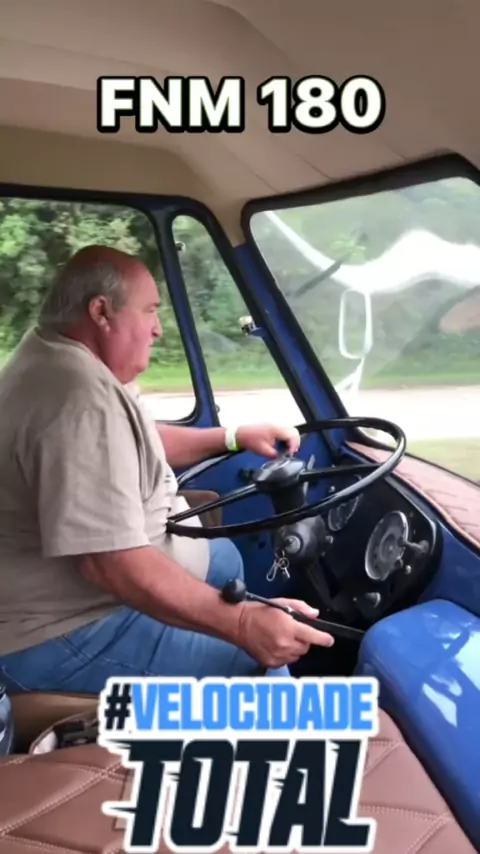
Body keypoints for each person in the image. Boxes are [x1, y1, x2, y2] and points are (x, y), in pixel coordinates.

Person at [0, 245, 334, 695]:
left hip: (93, 590)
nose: (158, 328)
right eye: (150, 310)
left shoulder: (64, 358)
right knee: (260, 667)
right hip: (56, 631)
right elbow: (110, 564)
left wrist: (232, 436)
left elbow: (134, 439)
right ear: (101, 312)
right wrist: (242, 624)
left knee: (225, 559)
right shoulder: (78, 400)